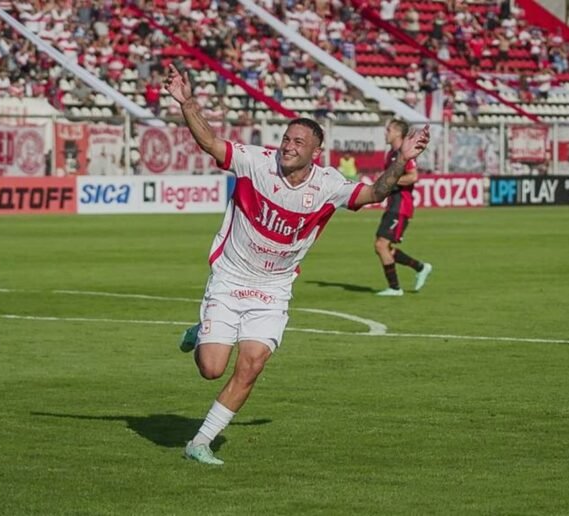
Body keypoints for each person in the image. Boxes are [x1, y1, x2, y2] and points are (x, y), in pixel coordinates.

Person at [165, 64, 430, 465]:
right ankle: (200, 333)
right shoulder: (256, 162)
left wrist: (402, 159)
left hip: (273, 289)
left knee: (251, 364)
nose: (288, 146)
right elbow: (212, 144)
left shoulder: (327, 186)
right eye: (287, 139)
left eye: (298, 142)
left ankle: (199, 441)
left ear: (315, 152)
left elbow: (376, 190)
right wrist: (187, 103)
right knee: (212, 368)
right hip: (232, 276)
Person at [373, 119, 433, 296]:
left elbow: (413, 176)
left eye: (389, 129)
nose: (386, 132)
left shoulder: (404, 153)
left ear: (398, 133)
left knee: (381, 245)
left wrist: (390, 181)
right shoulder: (390, 154)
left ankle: (395, 288)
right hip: (392, 205)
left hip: (401, 206)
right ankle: (421, 267)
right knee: (384, 247)